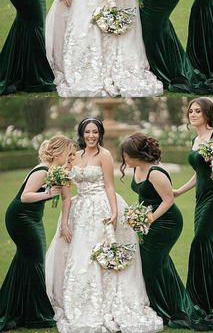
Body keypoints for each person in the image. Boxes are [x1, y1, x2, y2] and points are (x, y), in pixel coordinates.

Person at [45, 117, 163, 333]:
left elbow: (109, 186)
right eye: (87, 132)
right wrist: (64, 221)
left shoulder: (105, 155)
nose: (91, 136)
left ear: (100, 134)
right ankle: (82, 302)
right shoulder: (74, 156)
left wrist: (115, 212)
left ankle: (110, 302)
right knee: (80, 256)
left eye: (95, 132)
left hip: (102, 209)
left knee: (103, 254)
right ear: (81, 134)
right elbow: (67, 194)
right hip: (79, 212)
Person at [120, 132, 213, 330]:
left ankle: (169, 308)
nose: (124, 159)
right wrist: (138, 215)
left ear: (137, 154)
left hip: (166, 223)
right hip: (148, 222)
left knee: (152, 267)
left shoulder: (155, 172)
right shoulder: (137, 168)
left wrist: (150, 218)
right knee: (157, 266)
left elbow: (168, 200)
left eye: (126, 155)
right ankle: (169, 304)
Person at [0, 135, 75, 331]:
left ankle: (17, 309)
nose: (69, 158)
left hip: (32, 218)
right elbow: (25, 196)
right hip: (21, 218)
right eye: (68, 154)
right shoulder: (42, 170)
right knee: (36, 262)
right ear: (58, 153)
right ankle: (37, 314)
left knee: (26, 261)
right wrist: (49, 194)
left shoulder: (51, 169)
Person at [174, 98, 213, 318]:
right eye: (190, 111)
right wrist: (179, 191)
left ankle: (205, 298)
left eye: (197, 111)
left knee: (201, 240)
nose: (192, 114)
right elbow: (198, 173)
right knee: (211, 241)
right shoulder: (195, 139)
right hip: (202, 197)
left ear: (207, 114)